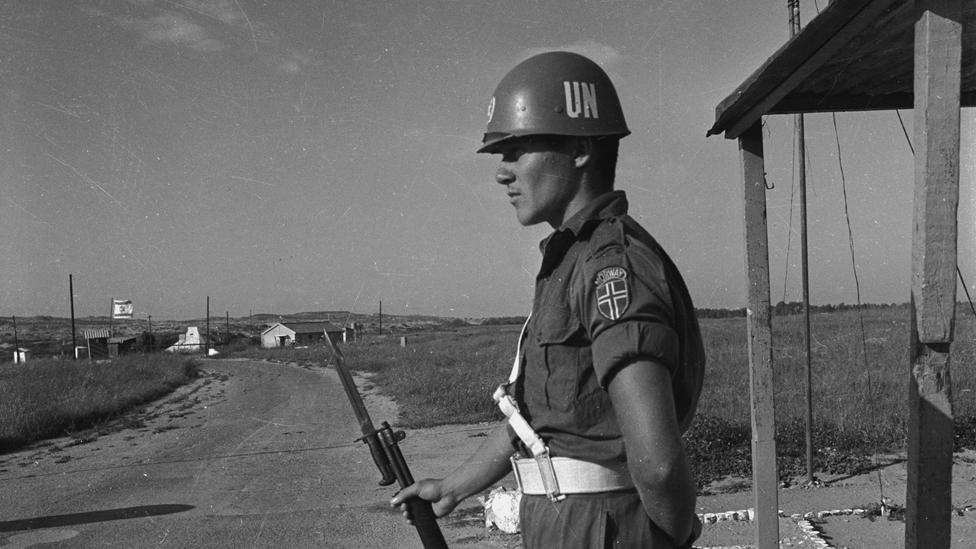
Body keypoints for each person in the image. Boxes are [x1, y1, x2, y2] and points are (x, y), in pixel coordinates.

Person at [392, 50, 705, 549]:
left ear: (580, 148)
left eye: (517, 150)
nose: (502, 172)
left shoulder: (611, 268)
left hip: (601, 527)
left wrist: (670, 537)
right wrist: (452, 488)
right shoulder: (570, 261)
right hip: (566, 522)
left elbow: (659, 462)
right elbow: (541, 422)